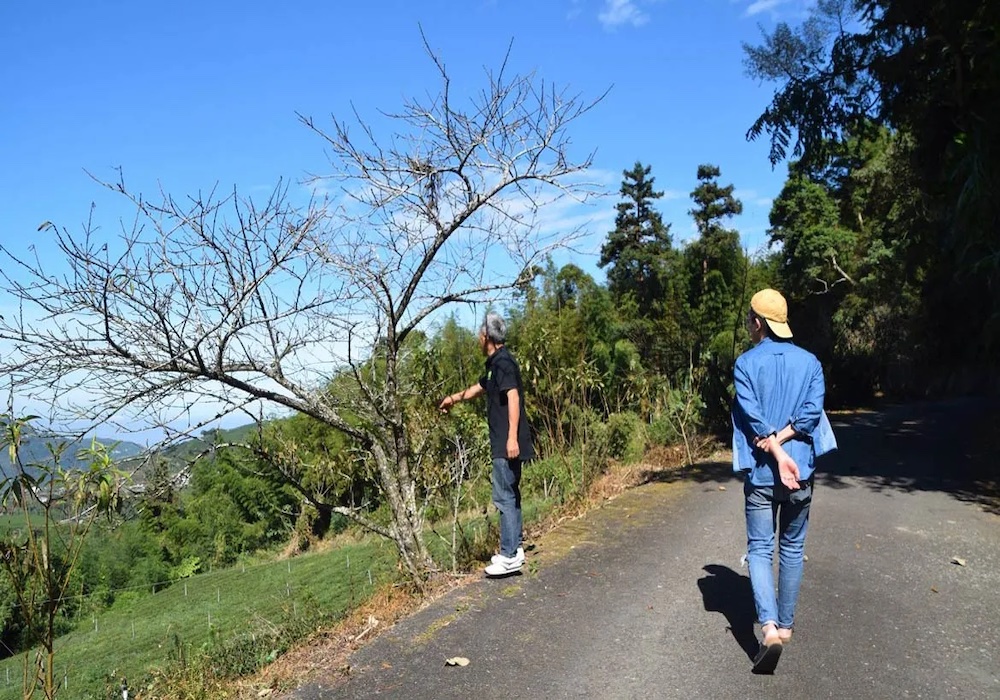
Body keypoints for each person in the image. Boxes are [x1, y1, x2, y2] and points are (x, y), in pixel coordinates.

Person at [731, 288, 836, 674]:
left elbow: (753, 416)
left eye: (749, 319)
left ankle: (769, 628)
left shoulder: (745, 364)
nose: (749, 325)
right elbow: (810, 414)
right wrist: (786, 446)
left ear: (758, 323)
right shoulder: (811, 363)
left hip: (761, 472)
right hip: (801, 471)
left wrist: (773, 448)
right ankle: (787, 626)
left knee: (760, 549)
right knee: (792, 548)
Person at [439, 312, 535, 576]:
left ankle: (509, 555)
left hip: (506, 442)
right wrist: (452, 398)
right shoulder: (495, 366)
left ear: (486, 337)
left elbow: (513, 397)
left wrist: (511, 438)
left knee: (503, 497)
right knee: (511, 495)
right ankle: (515, 548)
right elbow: (477, 388)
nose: (478, 340)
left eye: (480, 336)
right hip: (505, 441)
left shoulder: (503, 363)